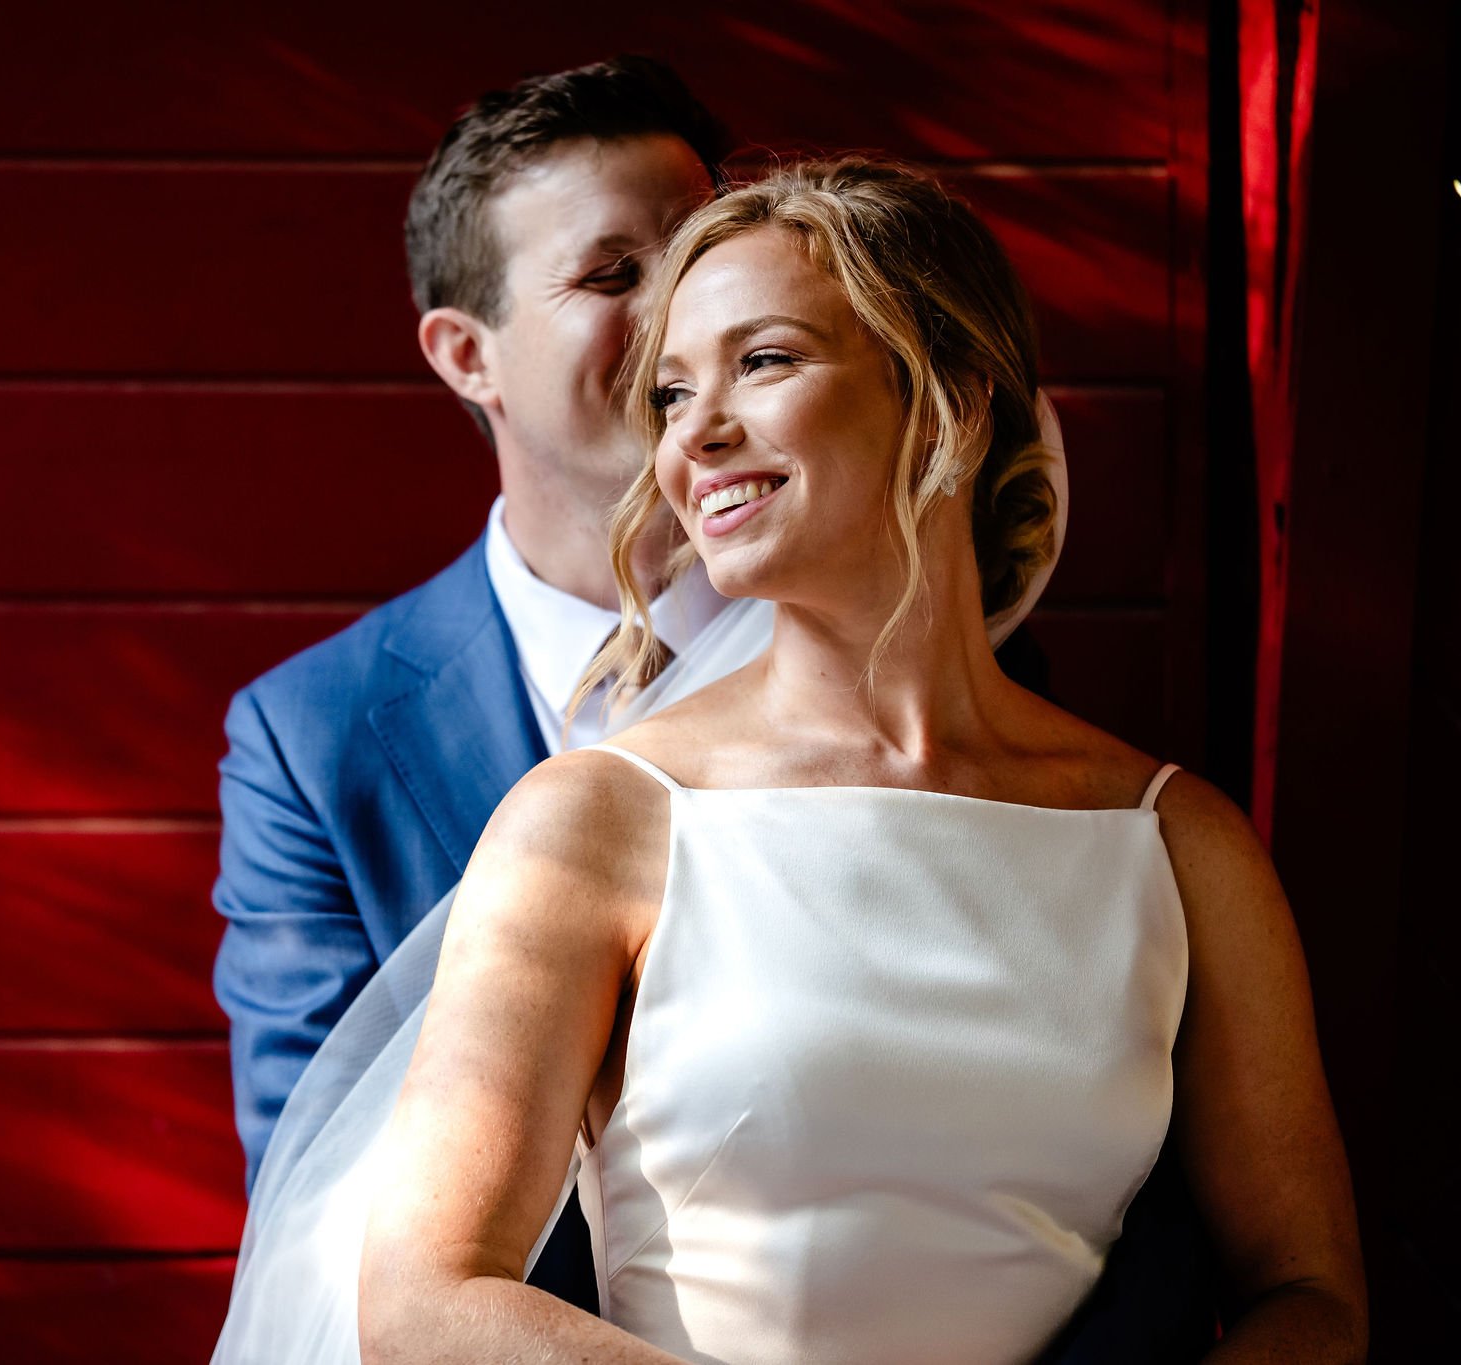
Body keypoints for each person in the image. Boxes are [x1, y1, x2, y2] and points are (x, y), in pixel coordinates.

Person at [356, 160, 1367, 1362]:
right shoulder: (597, 820)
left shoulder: (1174, 841)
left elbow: (1306, 1296)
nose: (696, 434)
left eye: (764, 361)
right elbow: (423, 1301)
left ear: (949, 395)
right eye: (671, 394)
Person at [210, 55, 735, 1308]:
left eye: (700, 258)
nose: (673, 311)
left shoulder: (908, 645)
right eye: (613, 274)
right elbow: (318, 1181)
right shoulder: (311, 738)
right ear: (465, 356)